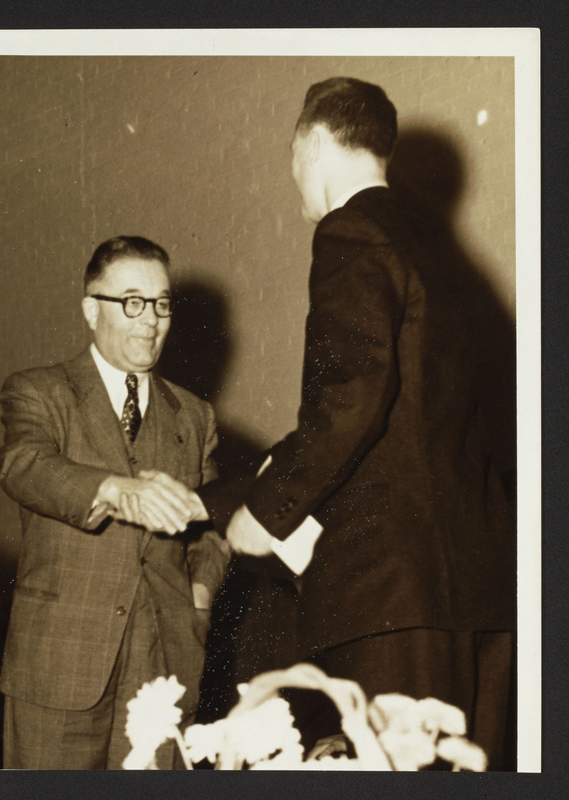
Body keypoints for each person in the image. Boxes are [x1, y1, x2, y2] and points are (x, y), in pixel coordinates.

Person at [198, 77, 516, 767]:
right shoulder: (444, 251)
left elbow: (351, 398)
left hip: (393, 593)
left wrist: (268, 509)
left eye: (291, 159)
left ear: (312, 143)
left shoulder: (350, 232)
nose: (294, 183)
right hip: (482, 592)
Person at [0, 235, 231, 769]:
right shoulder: (40, 391)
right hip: (60, 663)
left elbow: (214, 520)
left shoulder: (194, 416)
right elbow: (23, 464)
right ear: (89, 309)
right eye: (131, 301)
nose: (149, 319)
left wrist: (198, 595)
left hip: (163, 664)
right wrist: (120, 491)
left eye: (161, 303)